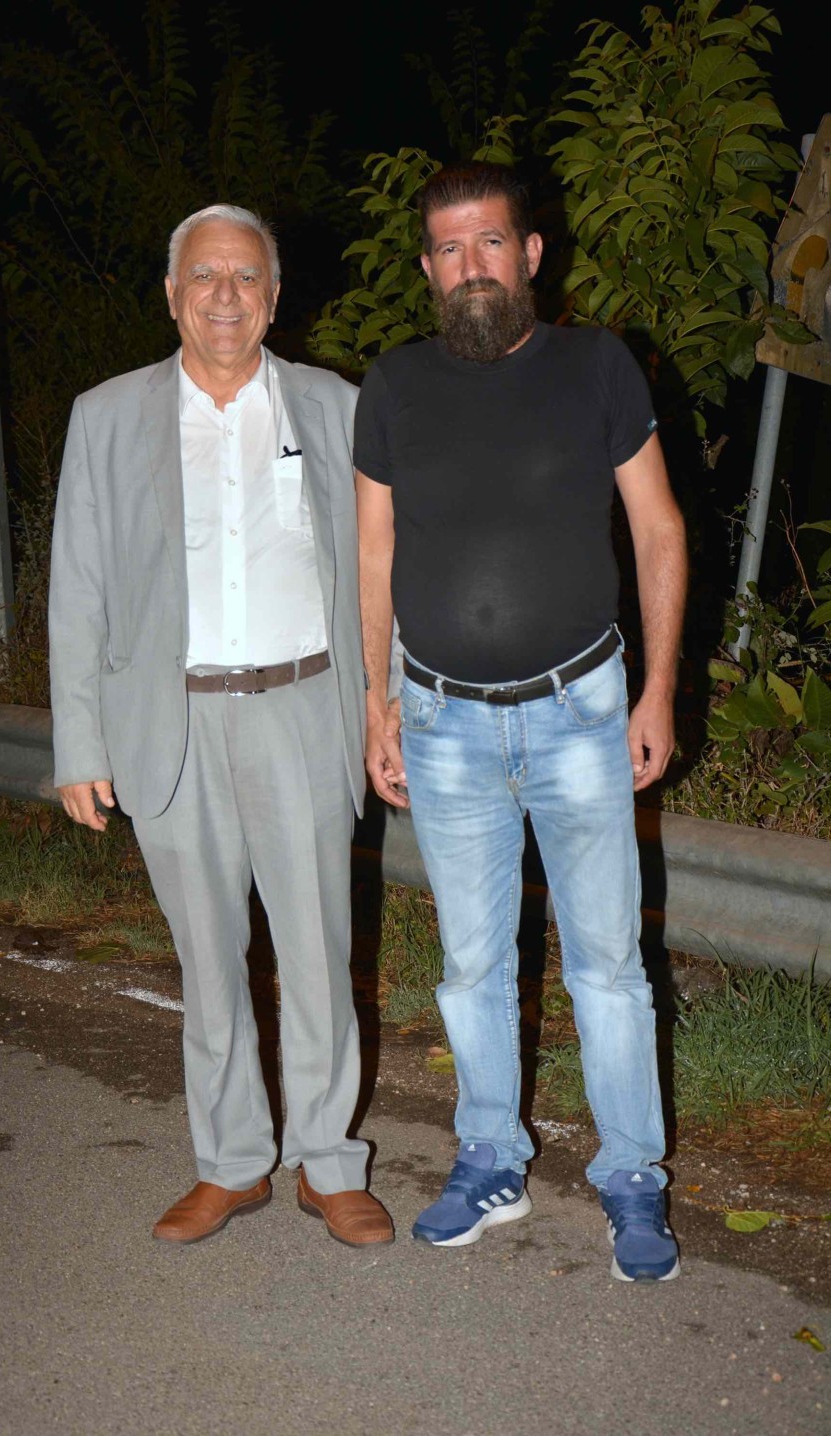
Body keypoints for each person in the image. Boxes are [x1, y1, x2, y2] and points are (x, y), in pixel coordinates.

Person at [354, 162, 687, 1281]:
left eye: (490, 242)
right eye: (449, 249)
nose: (472, 267)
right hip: (441, 721)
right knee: (469, 968)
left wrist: (657, 691)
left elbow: (659, 531)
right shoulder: (394, 384)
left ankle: (631, 1176)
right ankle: (491, 1158)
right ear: (427, 267)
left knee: (609, 967)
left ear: (531, 252)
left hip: (582, 713)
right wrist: (377, 701)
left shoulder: (596, 367)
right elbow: (373, 552)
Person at [49, 203, 393, 1248]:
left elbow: (380, 573)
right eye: (205, 276)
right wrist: (79, 742)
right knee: (208, 961)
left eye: (246, 277)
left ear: (275, 298)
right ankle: (232, 1163)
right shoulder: (108, 415)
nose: (226, 295)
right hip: (173, 721)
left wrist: (384, 705)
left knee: (319, 953)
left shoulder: (336, 407)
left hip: (305, 709)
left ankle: (329, 1164)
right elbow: (78, 583)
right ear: (171, 294)